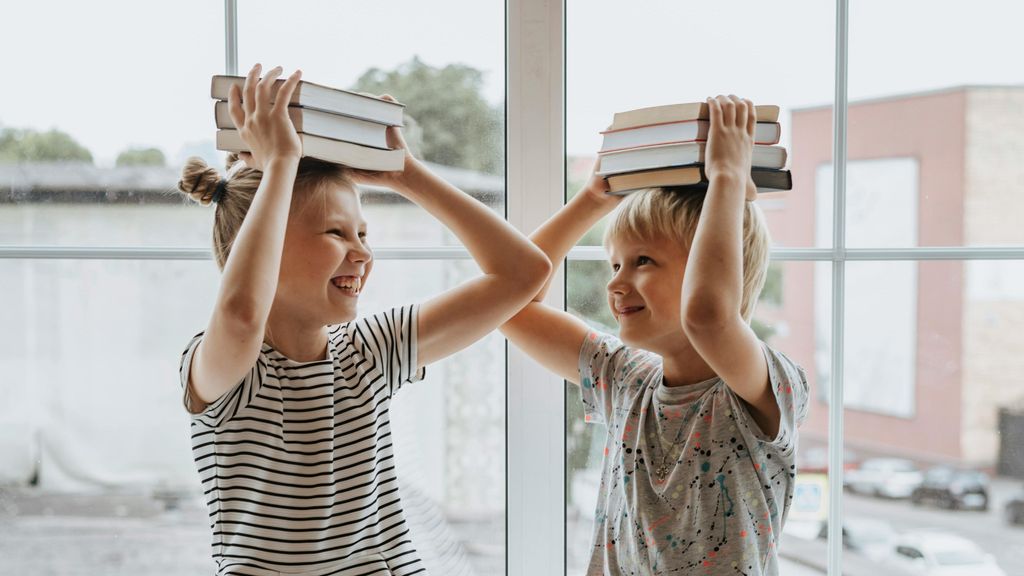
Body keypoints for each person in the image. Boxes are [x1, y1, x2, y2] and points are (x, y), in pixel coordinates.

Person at [176, 64, 550, 575]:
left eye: (364, 235)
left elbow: (523, 273)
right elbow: (242, 314)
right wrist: (282, 162)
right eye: (336, 233)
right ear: (263, 250)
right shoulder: (229, 369)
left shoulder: (369, 351)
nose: (362, 254)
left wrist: (406, 176)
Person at [501, 95, 809, 575]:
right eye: (615, 264)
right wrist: (590, 202)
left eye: (643, 261)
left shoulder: (763, 385)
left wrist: (729, 177)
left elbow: (707, 317)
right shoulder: (624, 377)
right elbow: (508, 303)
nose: (616, 283)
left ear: (721, 270)